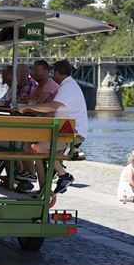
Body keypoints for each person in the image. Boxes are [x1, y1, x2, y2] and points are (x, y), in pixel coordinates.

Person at [19, 60, 87, 194]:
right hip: (64, 131)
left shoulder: (68, 86)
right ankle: (45, 188)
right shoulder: (68, 85)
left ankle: (64, 176)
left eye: (52, 73)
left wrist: (29, 107)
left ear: (56, 72)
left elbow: (52, 106)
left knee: (40, 148)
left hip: (73, 133)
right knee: (38, 149)